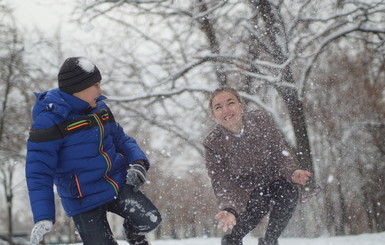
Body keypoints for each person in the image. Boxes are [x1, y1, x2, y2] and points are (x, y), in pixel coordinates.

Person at [26, 57, 161, 245]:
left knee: (150, 219)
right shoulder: (49, 122)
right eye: (96, 85)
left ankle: (133, 234)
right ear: (78, 88)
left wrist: (138, 162)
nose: (100, 91)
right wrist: (43, 215)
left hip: (116, 183)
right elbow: (38, 172)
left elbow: (121, 139)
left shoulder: (101, 109)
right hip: (83, 199)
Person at [203, 87, 312, 245]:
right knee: (256, 204)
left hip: (272, 180)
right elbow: (221, 181)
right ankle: (232, 240)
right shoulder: (213, 143)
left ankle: (270, 241)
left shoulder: (261, 120)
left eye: (230, 103)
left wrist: (292, 172)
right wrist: (229, 208)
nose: (225, 110)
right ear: (214, 115)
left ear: (241, 106)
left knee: (289, 189)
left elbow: (279, 152)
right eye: (218, 107)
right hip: (243, 193)